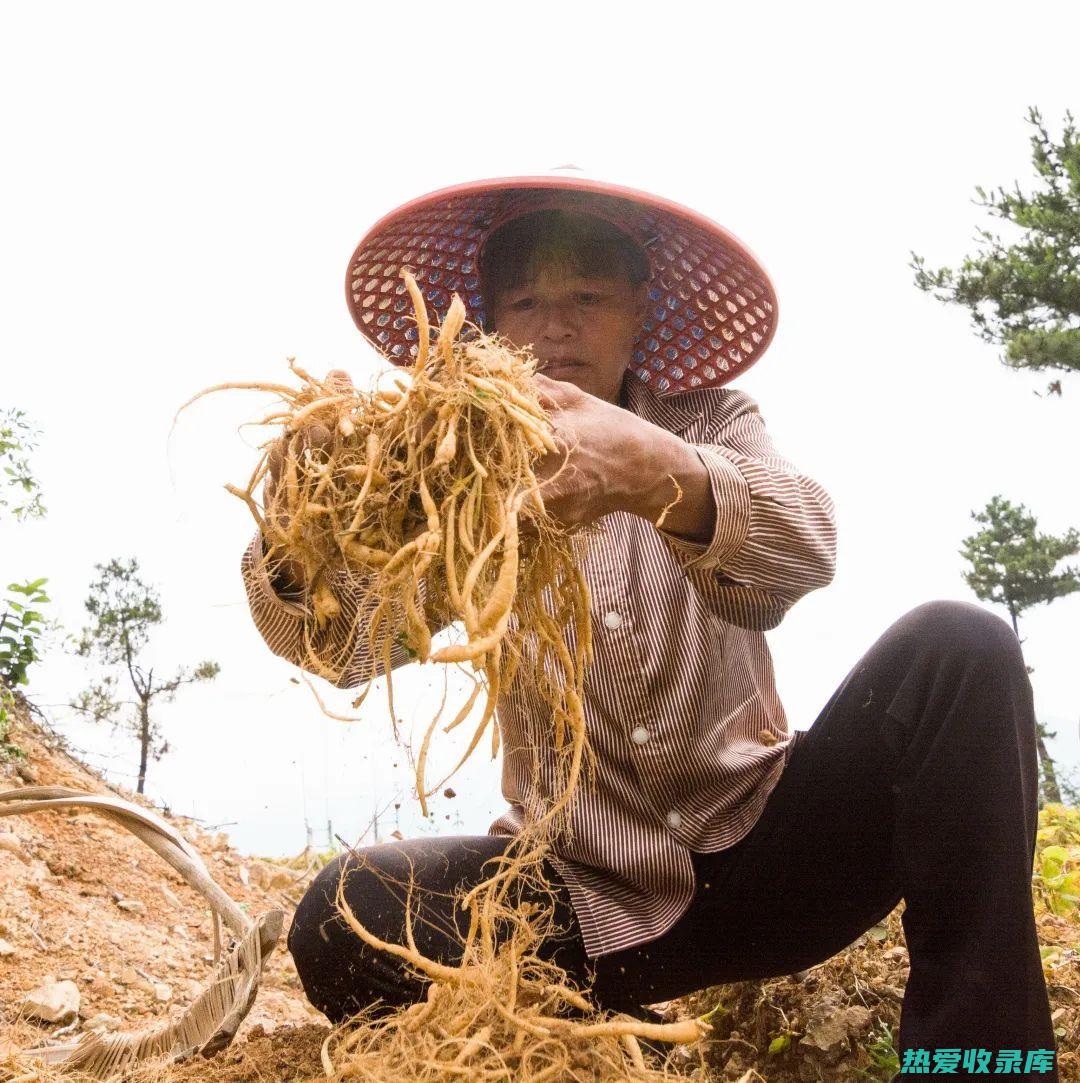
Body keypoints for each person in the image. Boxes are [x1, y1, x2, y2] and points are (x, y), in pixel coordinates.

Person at [241, 174, 1058, 1079]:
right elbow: (340, 644)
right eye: (526, 301)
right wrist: (306, 538)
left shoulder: (708, 422)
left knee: (962, 648)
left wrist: (659, 476)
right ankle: (614, 1032)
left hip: (770, 852)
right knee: (341, 910)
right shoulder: (462, 481)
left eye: (587, 298)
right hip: (576, 899)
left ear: (637, 310)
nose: (555, 328)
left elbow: (803, 547)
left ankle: (979, 1063)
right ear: (486, 331)